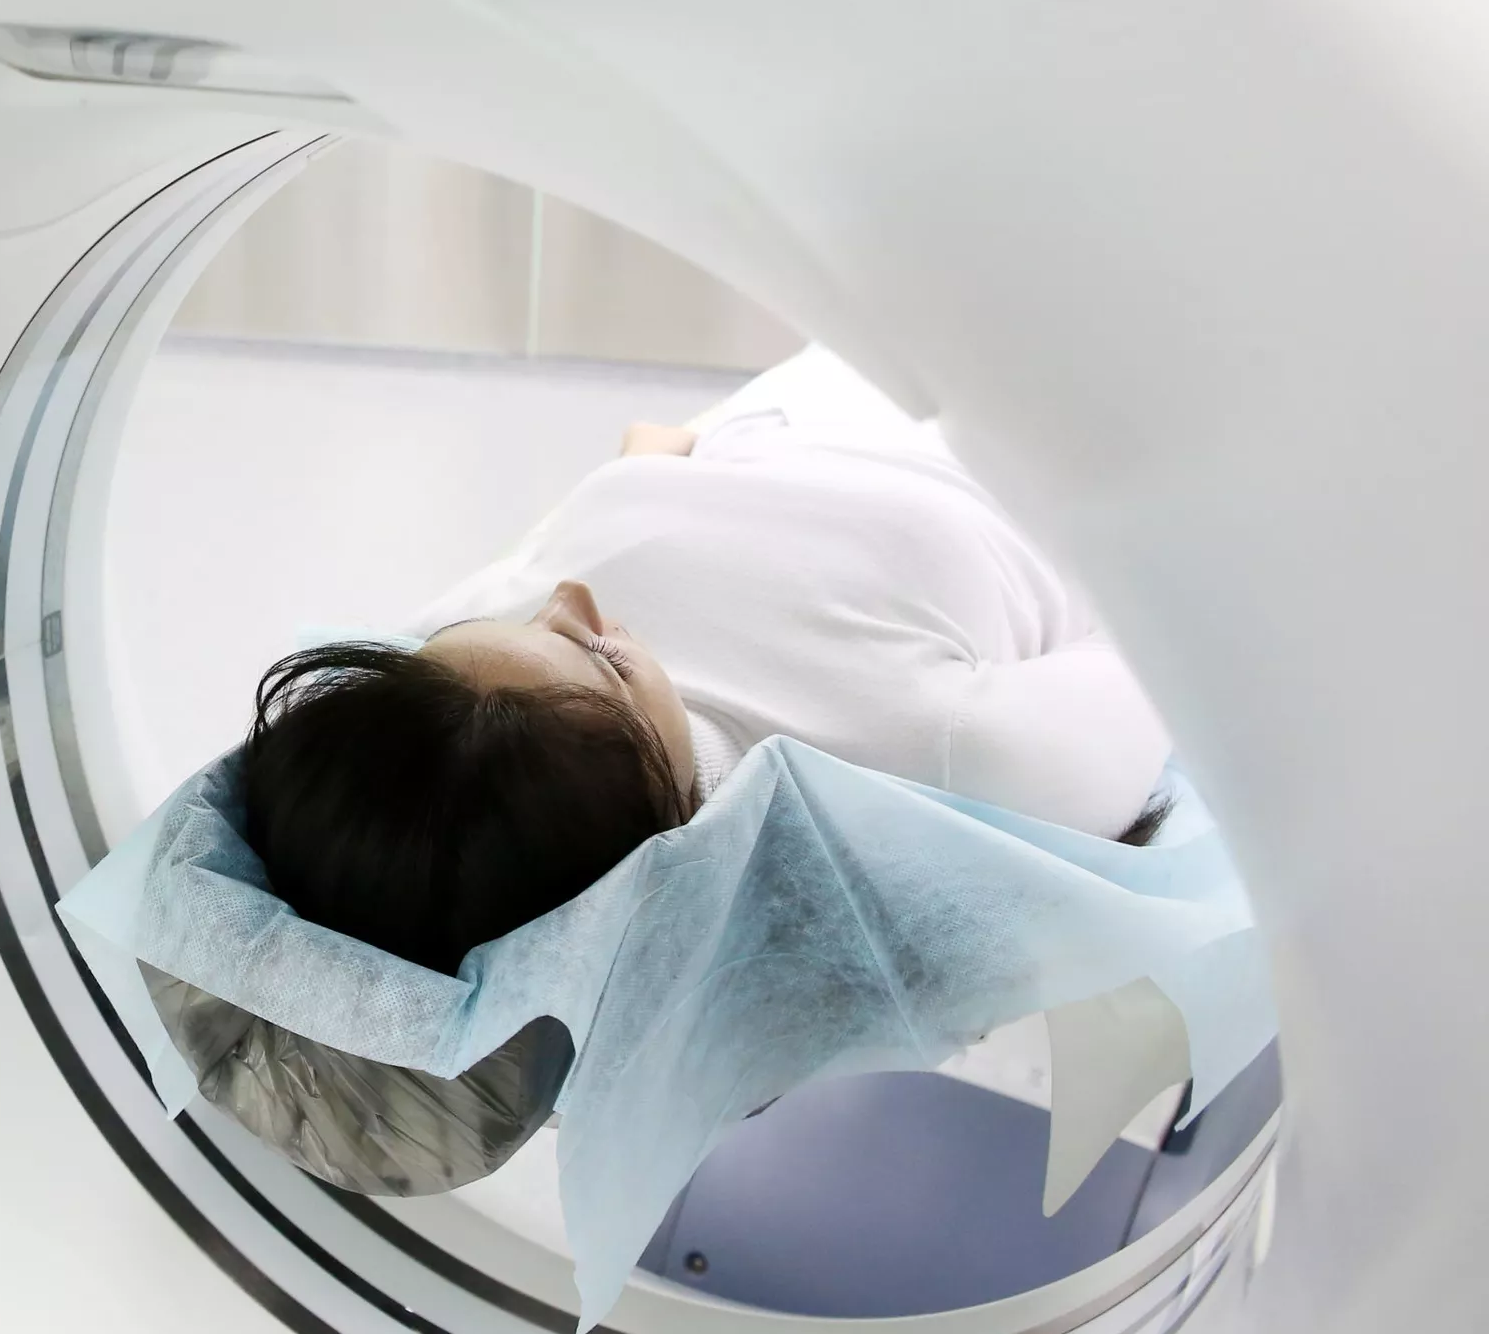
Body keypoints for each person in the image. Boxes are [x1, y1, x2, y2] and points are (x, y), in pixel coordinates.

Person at [243, 346, 1173, 975]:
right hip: (1040, 417)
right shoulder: (946, 755)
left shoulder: (456, 672)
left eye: (519, 619)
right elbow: (1169, 636)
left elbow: (621, 480)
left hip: (817, 388)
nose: (570, 599)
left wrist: (658, 467)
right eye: (599, 654)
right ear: (658, 816)